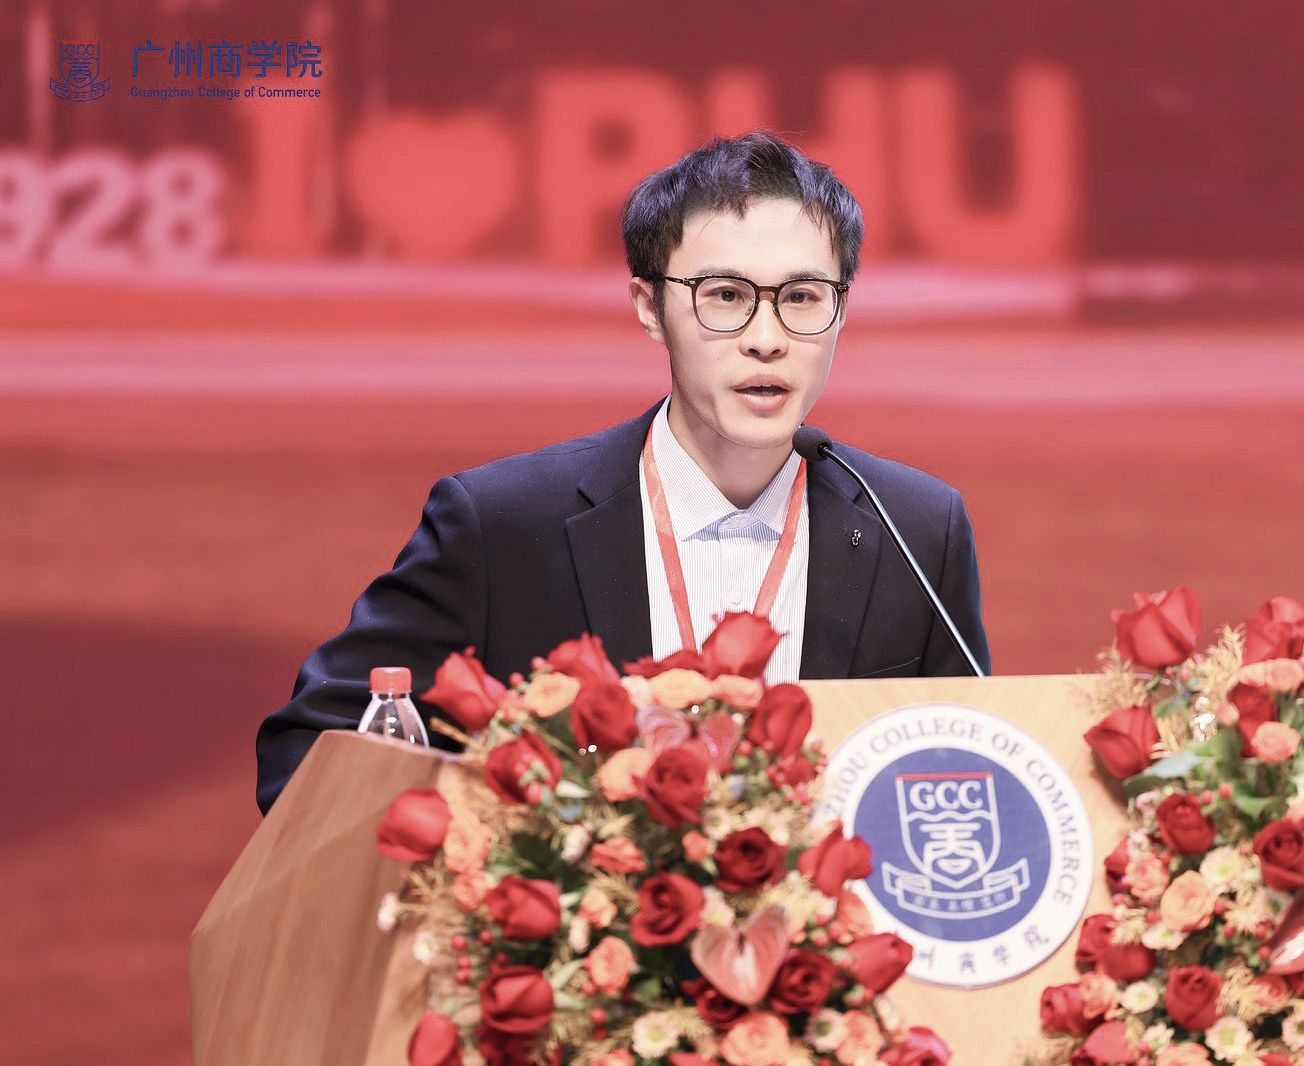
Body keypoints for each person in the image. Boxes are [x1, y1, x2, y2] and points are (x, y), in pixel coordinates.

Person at [255, 130, 990, 813]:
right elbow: (311, 750)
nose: (766, 339)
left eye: (801, 298)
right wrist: (496, 850)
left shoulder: (917, 530)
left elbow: (972, 772)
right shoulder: (504, 525)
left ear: (842, 310)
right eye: (726, 297)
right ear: (649, 307)